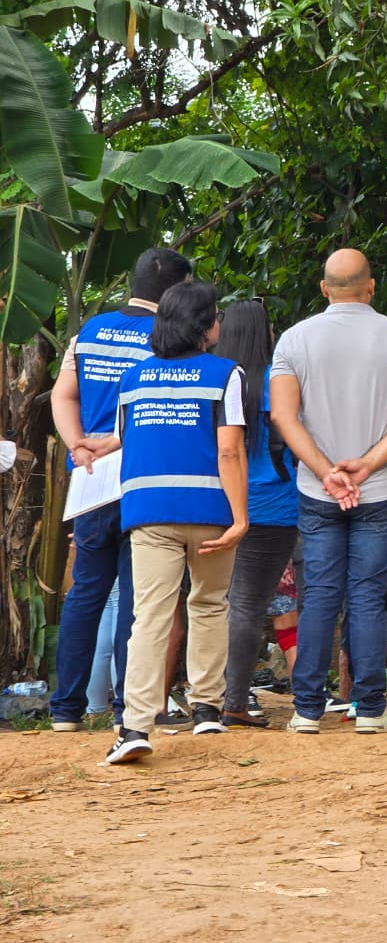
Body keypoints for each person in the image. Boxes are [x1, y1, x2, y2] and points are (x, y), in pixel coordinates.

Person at [270, 248, 387, 734]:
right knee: (367, 594)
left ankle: (307, 709)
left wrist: (326, 471)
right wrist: (366, 465)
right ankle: (369, 708)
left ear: (324, 289)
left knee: (319, 594)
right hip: (379, 488)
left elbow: (282, 415)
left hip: (318, 490)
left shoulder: (294, 341)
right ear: (372, 286)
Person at [104, 281, 249, 763]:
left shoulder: (132, 379)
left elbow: (125, 438)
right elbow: (229, 449)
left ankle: (134, 726)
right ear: (206, 327)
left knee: (150, 616)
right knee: (209, 603)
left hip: (148, 510)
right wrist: (241, 515)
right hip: (210, 510)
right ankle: (207, 708)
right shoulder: (225, 373)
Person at [50, 248, 192, 732]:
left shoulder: (89, 332)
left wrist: (78, 447)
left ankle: (65, 711)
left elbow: (62, 394)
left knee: (86, 592)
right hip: (141, 476)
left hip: (90, 480)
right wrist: (114, 444)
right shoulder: (167, 339)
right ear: (175, 292)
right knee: (137, 597)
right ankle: (124, 712)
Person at [214, 299, 299, 728]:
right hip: (274, 504)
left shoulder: (214, 377)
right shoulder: (274, 382)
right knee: (249, 604)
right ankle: (233, 702)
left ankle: (211, 698)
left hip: (217, 504)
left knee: (215, 603)